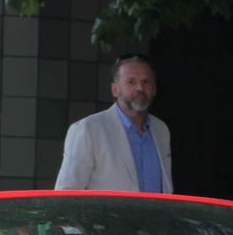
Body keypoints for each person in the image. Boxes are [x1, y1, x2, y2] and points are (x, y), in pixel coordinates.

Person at [54, 56, 174, 192]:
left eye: (146, 81)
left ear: (154, 88)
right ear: (115, 90)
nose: (140, 88)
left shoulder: (161, 129)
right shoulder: (88, 129)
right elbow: (68, 190)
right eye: (131, 82)